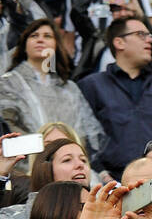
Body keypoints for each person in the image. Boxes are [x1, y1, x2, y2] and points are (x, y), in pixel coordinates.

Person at [78, 16, 152, 179]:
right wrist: (102, 174)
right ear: (119, 43)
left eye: (149, 35)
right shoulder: (92, 86)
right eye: (141, 35)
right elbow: (82, 138)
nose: (149, 40)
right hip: (110, 183)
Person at [0, 19, 105, 161]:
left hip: (70, 165)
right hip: (24, 168)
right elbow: (7, 127)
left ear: (56, 45)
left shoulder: (70, 88)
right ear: (24, 45)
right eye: (34, 35)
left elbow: (87, 133)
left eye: (47, 36)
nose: (40, 40)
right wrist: (41, 151)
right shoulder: (7, 83)